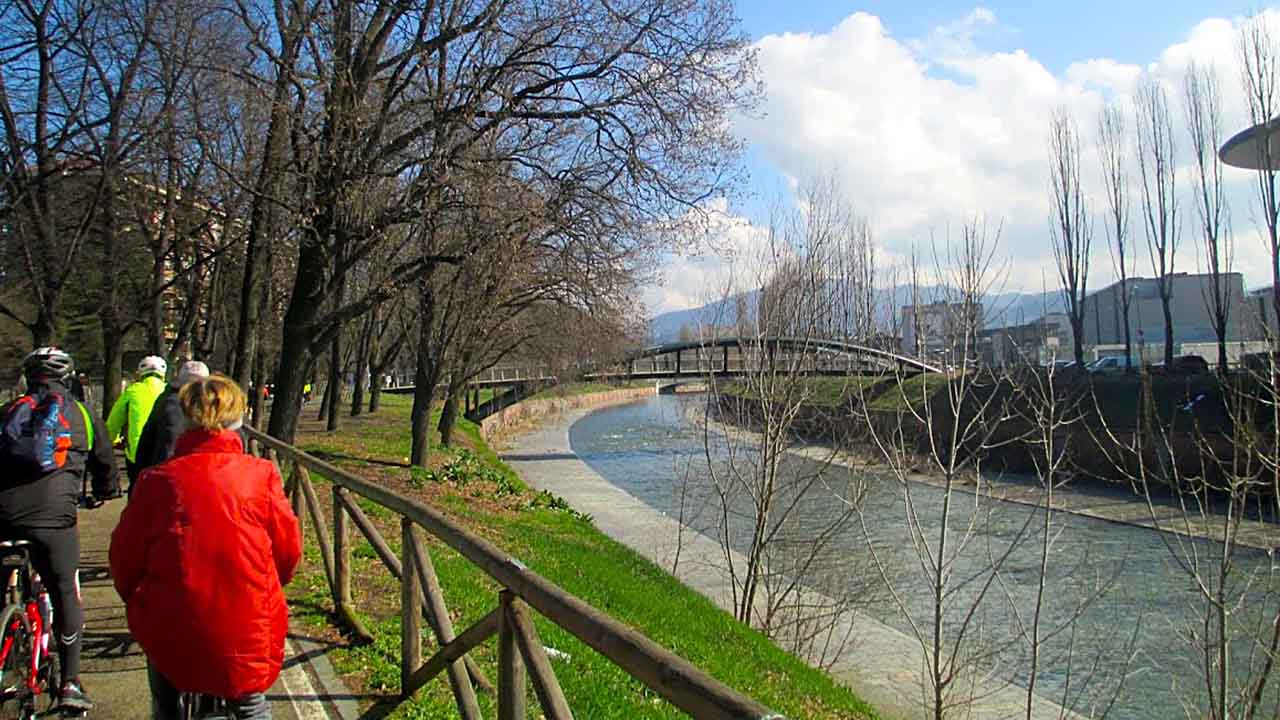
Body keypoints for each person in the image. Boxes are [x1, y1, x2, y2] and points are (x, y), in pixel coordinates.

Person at [110, 374, 301, 720]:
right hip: (246, 618)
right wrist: (269, 588)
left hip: (171, 617)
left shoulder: (158, 480)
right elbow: (287, 552)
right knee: (250, 703)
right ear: (238, 420)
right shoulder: (261, 475)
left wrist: (137, 599)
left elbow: (124, 557)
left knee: (166, 700)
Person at [0, 348, 120, 711]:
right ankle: (70, 682)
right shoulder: (81, 412)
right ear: (68, 378)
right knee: (66, 590)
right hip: (53, 519)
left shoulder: (8, 410)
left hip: (2, 514)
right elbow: (104, 465)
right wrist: (104, 492)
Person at [133, 361, 210, 474]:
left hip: (163, 469)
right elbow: (170, 442)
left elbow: (146, 439)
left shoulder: (166, 399)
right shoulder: (176, 405)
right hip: (178, 471)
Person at [107, 356, 167, 491]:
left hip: (137, 453)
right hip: (164, 453)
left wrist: (113, 440)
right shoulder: (169, 391)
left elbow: (114, 422)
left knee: (136, 491)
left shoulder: (132, 391)